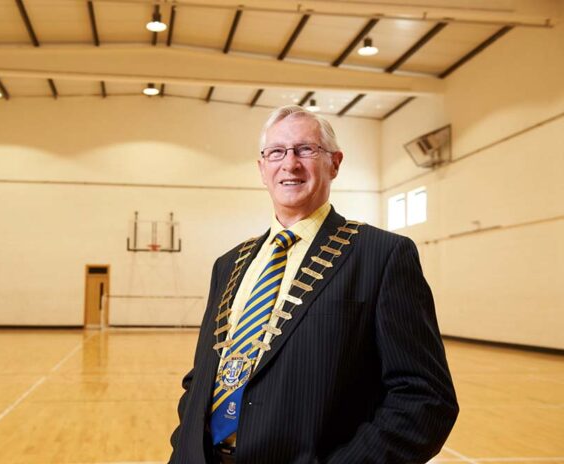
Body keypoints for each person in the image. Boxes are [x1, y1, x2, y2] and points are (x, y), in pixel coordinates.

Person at [169, 105, 458, 464]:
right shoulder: (228, 264)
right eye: (276, 152)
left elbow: (425, 398)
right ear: (262, 169)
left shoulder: (382, 256)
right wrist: (185, 444)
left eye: (305, 150)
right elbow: (203, 373)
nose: (289, 164)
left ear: (334, 163)